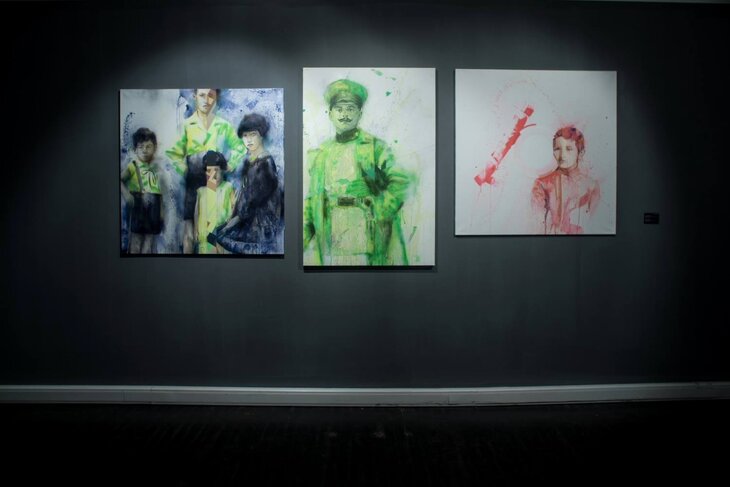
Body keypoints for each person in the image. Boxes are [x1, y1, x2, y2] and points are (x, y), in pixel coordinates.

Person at [304, 79, 411, 265]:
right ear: (330, 113)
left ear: (360, 113)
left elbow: (401, 181)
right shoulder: (320, 153)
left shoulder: (374, 147)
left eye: (351, 109)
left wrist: (380, 209)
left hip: (367, 232)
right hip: (331, 236)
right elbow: (312, 200)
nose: (345, 114)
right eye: (339, 109)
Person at [166, 88, 245, 253]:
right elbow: (173, 153)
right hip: (194, 178)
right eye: (202, 95)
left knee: (215, 224)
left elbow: (240, 147)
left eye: (210, 95)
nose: (206, 100)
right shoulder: (187, 125)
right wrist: (186, 170)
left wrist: (230, 164)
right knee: (190, 227)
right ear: (195, 96)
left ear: (216, 97)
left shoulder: (223, 125)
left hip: (215, 176)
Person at [213, 113, 283, 254]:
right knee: (215, 236)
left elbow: (251, 203)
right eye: (245, 136)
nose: (249, 140)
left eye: (253, 135)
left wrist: (229, 225)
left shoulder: (265, 164)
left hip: (259, 228)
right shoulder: (250, 161)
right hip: (247, 220)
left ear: (261, 135)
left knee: (218, 236)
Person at [531, 126, 601, 235]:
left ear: (580, 153)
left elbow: (596, 224)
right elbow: (537, 225)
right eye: (557, 149)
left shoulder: (591, 186)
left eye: (568, 149)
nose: (562, 155)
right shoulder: (542, 184)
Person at [120, 127, 163, 253]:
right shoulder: (132, 166)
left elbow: (159, 193)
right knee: (136, 239)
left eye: (148, 146)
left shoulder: (156, 167)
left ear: (154, 148)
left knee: (149, 241)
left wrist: (161, 213)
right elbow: (120, 180)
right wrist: (126, 194)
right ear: (135, 149)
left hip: (154, 207)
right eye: (141, 147)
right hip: (138, 206)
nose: (144, 150)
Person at [194, 151, 235, 254]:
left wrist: (230, 223)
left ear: (222, 170)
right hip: (206, 232)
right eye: (209, 171)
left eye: (216, 170)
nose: (213, 174)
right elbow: (197, 213)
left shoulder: (228, 187)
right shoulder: (201, 191)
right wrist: (196, 230)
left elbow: (234, 206)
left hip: (223, 231)